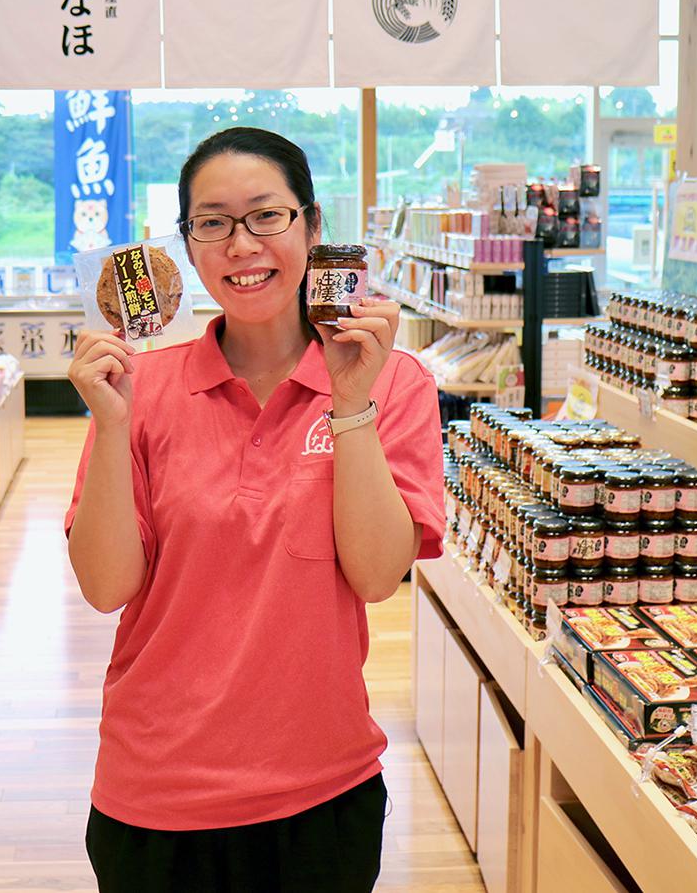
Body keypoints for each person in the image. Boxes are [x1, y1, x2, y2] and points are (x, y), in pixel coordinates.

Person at [65, 127, 445, 892]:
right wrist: (110, 423)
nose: (242, 245)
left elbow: (376, 575)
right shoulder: (142, 388)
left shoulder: (391, 381)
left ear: (310, 226)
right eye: (212, 222)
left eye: (267, 216)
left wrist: (349, 401)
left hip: (320, 791)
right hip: (156, 792)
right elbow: (106, 586)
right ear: (186, 247)